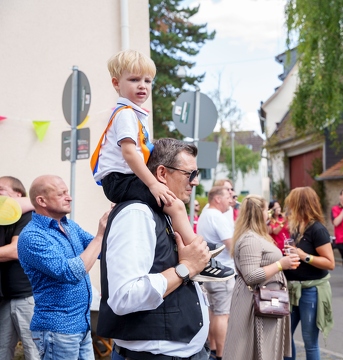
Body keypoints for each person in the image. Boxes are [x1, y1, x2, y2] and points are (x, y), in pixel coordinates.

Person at [89, 50, 218, 276]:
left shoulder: (136, 115)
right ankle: (200, 254)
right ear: (116, 83)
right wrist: (153, 184)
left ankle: (193, 245)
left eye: (147, 81)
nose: (143, 86)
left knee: (168, 203)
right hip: (120, 180)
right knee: (174, 202)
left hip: (123, 180)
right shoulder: (126, 114)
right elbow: (130, 154)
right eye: (134, 79)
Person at [97, 138, 223, 360]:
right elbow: (124, 295)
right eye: (190, 174)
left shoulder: (161, 210)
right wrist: (184, 269)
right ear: (162, 173)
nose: (195, 182)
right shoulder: (137, 214)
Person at [17, 175, 110, 360]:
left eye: (67, 192)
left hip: (81, 326)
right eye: (61, 194)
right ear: (41, 201)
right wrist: (100, 235)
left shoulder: (69, 226)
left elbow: (101, 250)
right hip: (57, 330)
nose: (70, 197)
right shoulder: (31, 237)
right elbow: (70, 272)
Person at [223, 195, 299, 360]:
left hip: (266, 301)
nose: (269, 213)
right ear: (259, 212)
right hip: (256, 303)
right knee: (256, 349)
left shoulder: (257, 236)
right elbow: (251, 276)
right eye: (266, 210)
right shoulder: (250, 239)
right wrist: (281, 264)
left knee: (264, 348)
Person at [283, 187, 335, 360]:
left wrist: (304, 256)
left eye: (292, 203)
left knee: (309, 341)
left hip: (310, 291)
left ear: (300, 205)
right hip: (293, 289)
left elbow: (330, 263)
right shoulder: (297, 227)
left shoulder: (317, 229)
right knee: (285, 338)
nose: (289, 207)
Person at [0, 176, 38, 360]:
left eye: (1, 190)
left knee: (34, 351)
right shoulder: (3, 219)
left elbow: (15, 250)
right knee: (2, 350)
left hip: (25, 297)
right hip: (5, 298)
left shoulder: (27, 217)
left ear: (18, 195)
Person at [197, 186, 237, 360]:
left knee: (214, 312)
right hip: (223, 272)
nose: (231, 199)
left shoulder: (206, 214)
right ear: (217, 199)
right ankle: (222, 354)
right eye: (228, 196)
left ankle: (213, 349)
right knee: (223, 314)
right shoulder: (217, 217)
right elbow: (231, 245)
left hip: (211, 271)